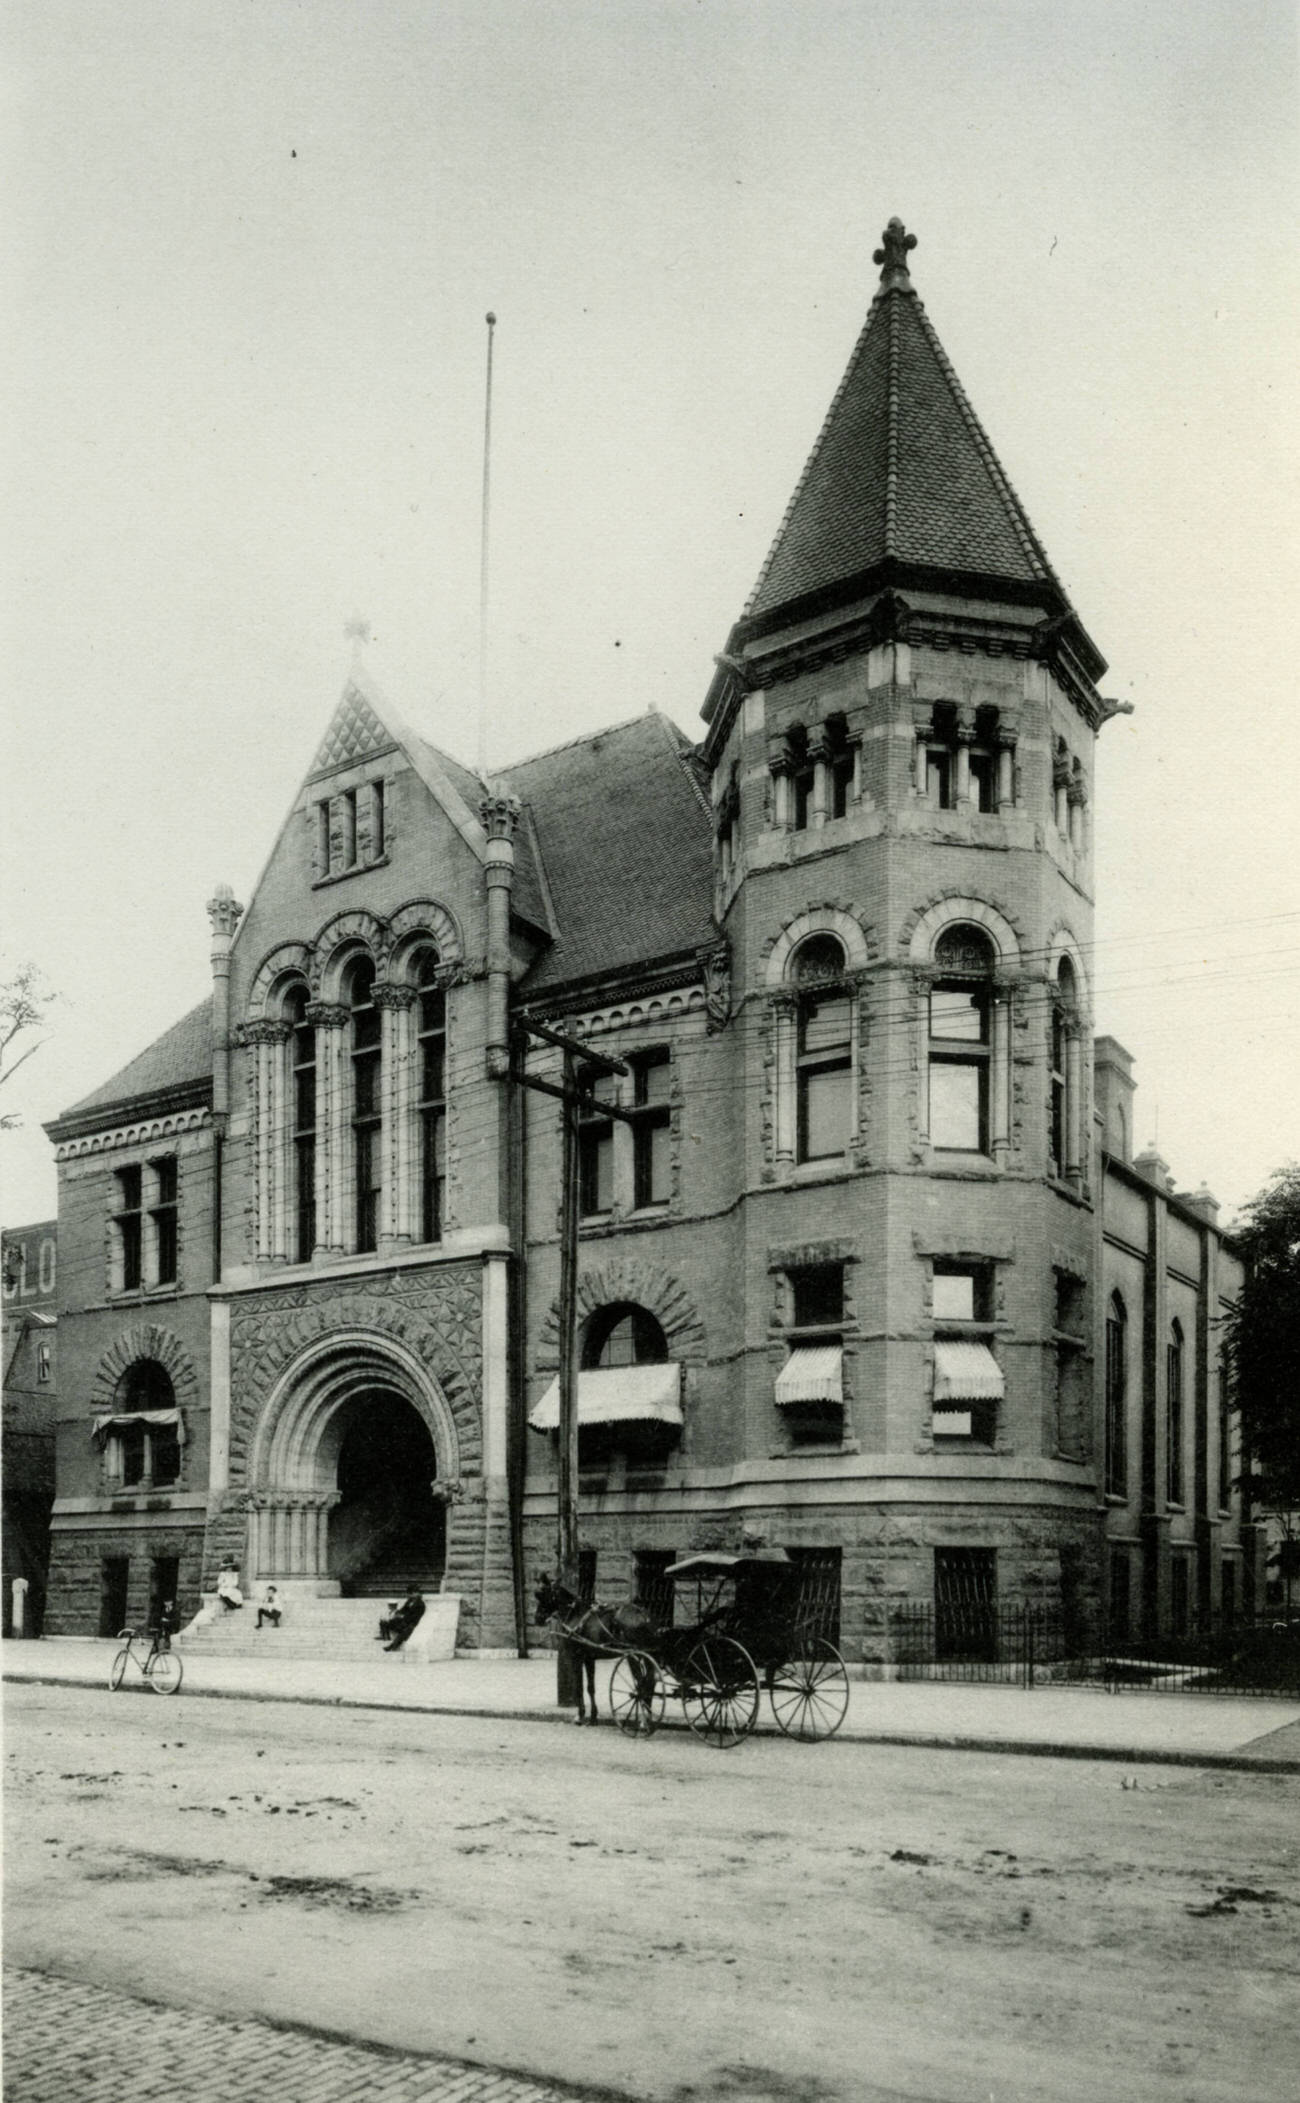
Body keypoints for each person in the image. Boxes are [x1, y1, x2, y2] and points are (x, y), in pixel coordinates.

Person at [378, 1586, 425, 1651]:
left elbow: (415, 1616)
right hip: (404, 1621)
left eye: (411, 1594)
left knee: (404, 1632)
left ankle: (392, 1646)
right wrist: (397, 1613)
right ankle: (385, 1636)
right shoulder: (410, 1600)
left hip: (412, 1623)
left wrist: (403, 1617)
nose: (409, 1596)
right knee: (384, 1621)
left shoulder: (421, 1604)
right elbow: (403, 1609)